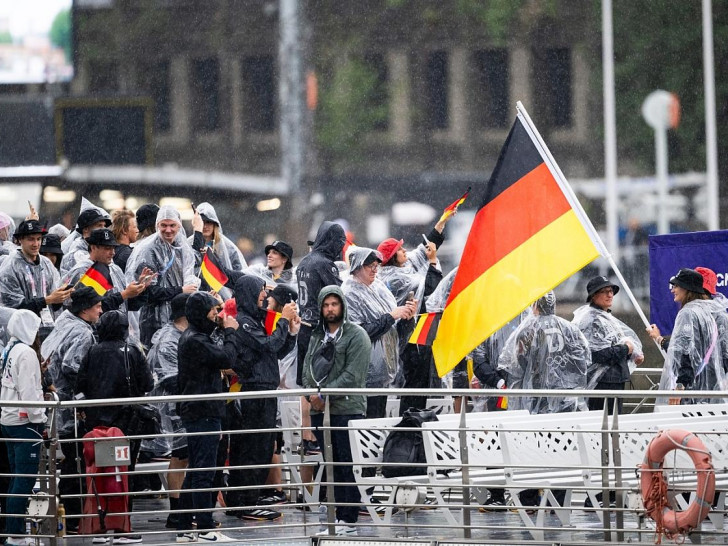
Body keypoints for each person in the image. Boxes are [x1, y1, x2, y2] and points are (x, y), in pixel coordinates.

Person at [75, 310, 153, 544]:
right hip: (126, 425)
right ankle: (122, 528)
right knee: (123, 474)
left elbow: (80, 384)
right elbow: (147, 383)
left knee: (100, 474)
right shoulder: (132, 352)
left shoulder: (92, 351)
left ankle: (100, 525)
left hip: (97, 426)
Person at [226, 275, 299, 521]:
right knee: (252, 447)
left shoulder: (256, 320)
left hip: (266, 388)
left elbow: (277, 350)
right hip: (254, 390)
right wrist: (283, 322)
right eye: (260, 291)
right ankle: (243, 500)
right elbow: (268, 346)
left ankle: (250, 497)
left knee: (264, 445)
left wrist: (291, 332)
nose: (264, 296)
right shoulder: (244, 322)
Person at [303, 286, 371, 537]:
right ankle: (336, 517)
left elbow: (353, 376)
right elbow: (307, 370)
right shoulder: (316, 337)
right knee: (330, 463)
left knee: (346, 463)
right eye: (326, 305)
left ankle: (348, 518)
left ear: (342, 305)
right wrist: (313, 396)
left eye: (334, 304)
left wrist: (324, 395)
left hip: (346, 411)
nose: (330, 309)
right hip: (320, 413)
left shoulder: (357, 335)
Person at [175, 292, 241, 543]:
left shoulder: (195, 337)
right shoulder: (195, 340)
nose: (218, 314)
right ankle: (204, 526)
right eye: (213, 310)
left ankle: (184, 526)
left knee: (196, 470)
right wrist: (230, 332)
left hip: (203, 410)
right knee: (203, 470)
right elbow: (226, 358)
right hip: (203, 412)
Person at [41, 286, 103, 534]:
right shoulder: (83, 333)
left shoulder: (64, 323)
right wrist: (81, 400)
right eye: (97, 305)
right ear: (85, 309)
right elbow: (72, 366)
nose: (101, 309)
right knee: (74, 464)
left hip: (57, 406)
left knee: (68, 462)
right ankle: (76, 518)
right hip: (70, 410)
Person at [499, 291, 591, 415]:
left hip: (538, 389)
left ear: (535, 305)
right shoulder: (569, 327)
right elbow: (583, 357)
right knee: (563, 427)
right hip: (566, 391)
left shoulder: (527, 329)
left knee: (542, 426)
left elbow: (519, 362)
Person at [142, 293, 190, 528]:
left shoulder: (185, 335)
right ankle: (176, 511)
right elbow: (170, 379)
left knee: (185, 457)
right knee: (179, 457)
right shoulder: (169, 340)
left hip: (185, 406)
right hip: (172, 409)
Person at [648, 268, 728, 404]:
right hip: (715, 390)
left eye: (676, 286)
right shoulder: (720, 313)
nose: (672, 290)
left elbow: (685, 353)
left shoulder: (688, 313)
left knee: (686, 424)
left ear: (688, 288)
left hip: (691, 388)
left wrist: (680, 385)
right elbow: (724, 356)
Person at [0, 310, 47, 546]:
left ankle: (13, 530)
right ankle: (16, 535)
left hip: (8, 422)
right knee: (24, 479)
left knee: (14, 478)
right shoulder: (26, 353)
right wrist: (41, 419)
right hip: (24, 424)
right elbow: (29, 394)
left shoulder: (10, 349)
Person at [125, 206, 199, 347]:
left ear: (179, 225)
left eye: (172, 225)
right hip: (154, 320)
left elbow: (191, 269)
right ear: (157, 225)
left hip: (180, 318)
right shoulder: (148, 249)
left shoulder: (182, 247)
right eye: (163, 225)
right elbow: (148, 292)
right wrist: (181, 291)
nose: (168, 230)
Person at [573, 276, 644, 414]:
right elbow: (596, 354)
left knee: (611, 425)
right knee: (605, 424)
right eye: (604, 291)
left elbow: (611, 345)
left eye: (611, 291)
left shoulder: (604, 317)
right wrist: (626, 349)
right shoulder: (592, 320)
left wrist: (632, 355)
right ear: (593, 296)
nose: (610, 294)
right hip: (603, 382)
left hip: (612, 380)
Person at [64, 228, 148, 314]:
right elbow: (91, 308)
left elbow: (128, 305)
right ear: (93, 248)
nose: (113, 253)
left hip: (118, 326)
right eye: (107, 248)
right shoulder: (83, 271)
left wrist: (141, 289)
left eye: (113, 248)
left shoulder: (115, 269)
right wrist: (124, 294)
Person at [0, 220, 71, 320]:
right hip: (21, 330)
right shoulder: (10, 266)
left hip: (47, 327)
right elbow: (13, 306)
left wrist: (62, 295)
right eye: (31, 239)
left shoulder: (46, 263)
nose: (36, 244)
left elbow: (54, 304)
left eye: (39, 239)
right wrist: (47, 300)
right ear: (20, 239)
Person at [188, 202, 247, 275]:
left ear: (215, 224)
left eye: (209, 222)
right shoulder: (188, 244)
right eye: (202, 222)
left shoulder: (228, 247)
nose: (205, 226)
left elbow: (239, 271)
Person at [60, 207, 112, 276]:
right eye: (99, 226)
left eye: (104, 226)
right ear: (86, 229)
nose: (104, 230)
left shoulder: (103, 251)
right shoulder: (76, 255)